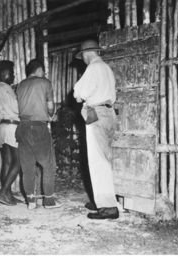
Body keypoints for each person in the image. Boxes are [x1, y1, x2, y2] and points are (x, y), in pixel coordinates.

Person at [74, 39, 119, 219]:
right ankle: (102, 200)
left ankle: (108, 207)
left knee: (98, 160)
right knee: (105, 158)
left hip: (97, 114)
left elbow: (78, 93)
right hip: (109, 114)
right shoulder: (106, 68)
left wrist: (80, 96)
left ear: (86, 54)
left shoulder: (93, 68)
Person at [16, 59, 61, 209]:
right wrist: (52, 115)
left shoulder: (20, 85)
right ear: (39, 69)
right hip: (38, 127)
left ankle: (31, 201)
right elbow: (50, 106)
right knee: (48, 165)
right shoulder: (44, 82)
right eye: (43, 71)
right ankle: (48, 201)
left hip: (22, 127)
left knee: (27, 167)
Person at [0, 60, 22, 206]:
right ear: (4, 73)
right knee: (19, 161)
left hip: (2, 127)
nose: (14, 75)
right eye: (12, 72)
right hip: (12, 127)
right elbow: (17, 109)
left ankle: (7, 194)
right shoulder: (6, 88)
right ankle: (3, 192)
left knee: (8, 162)